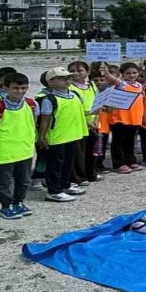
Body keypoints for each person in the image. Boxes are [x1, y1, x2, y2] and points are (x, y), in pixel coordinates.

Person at [0, 73, 39, 220]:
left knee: (24, 179)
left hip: (25, 148)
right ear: (5, 88)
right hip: (4, 149)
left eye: (23, 88)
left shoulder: (31, 104)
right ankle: (6, 206)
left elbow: (33, 123)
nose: (20, 91)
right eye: (16, 88)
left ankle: (19, 202)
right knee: (4, 180)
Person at [37, 67, 87, 201]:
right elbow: (45, 119)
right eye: (62, 78)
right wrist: (41, 137)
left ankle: (65, 184)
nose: (67, 80)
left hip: (73, 135)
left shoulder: (75, 95)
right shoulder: (50, 99)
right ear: (51, 82)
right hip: (56, 137)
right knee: (55, 165)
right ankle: (53, 191)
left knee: (68, 162)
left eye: (68, 77)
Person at [105, 62, 146, 174]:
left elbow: (142, 102)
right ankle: (118, 163)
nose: (132, 75)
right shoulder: (121, 84)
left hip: (134, 118)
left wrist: (144, 115)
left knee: (129, 141)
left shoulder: (140, 86)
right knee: (118, 141)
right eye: (128, 73)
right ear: (122, 74)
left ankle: (130, 160)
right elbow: (111, 78)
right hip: (120, 118)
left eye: (134, 72)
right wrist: (105, 70)